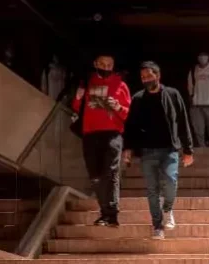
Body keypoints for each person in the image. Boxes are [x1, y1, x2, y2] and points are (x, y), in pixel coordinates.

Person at [123, 62, 195, 240]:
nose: (146, 80)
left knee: (171, 181)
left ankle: (168, 209)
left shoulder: (172, 94)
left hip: (169, 149)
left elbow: (183, 122)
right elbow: (130, 126)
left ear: (158, 75)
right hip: (147, 151)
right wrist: (128, 148)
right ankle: (157, 226)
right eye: (143, 77)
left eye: (149, 76)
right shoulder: (138, 99)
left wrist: (188, 150)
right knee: (152, 190)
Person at [71, 54, 132, 227]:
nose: (105, 67)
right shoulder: (87, 82)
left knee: (111, 173)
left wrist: (118, 107)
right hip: (90, 134)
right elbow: (76, 107)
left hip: (112, 134)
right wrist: (78, 96)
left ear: (113, 66)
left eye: (109, 65)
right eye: (102, 64)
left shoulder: (121, 85)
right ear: (95, 64)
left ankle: (111, 214)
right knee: (95, 176)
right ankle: (105, 212)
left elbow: (128, 114)